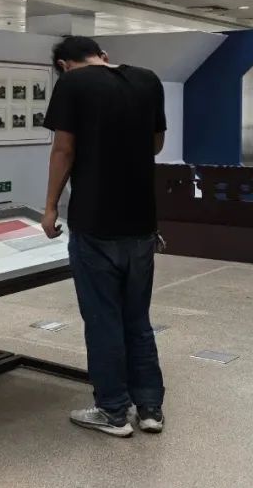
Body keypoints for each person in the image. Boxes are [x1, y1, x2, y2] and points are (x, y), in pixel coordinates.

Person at [41, 36, 166, 438]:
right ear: (103, 56)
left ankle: (112, 411)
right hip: (142, 223)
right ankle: (150, 408)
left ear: (64, 65)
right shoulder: (148, 79)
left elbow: (63, 150)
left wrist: (50, 207)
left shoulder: (72, 84)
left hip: (95, 222)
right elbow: (156, 143)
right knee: (138, 319)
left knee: (102, 319)